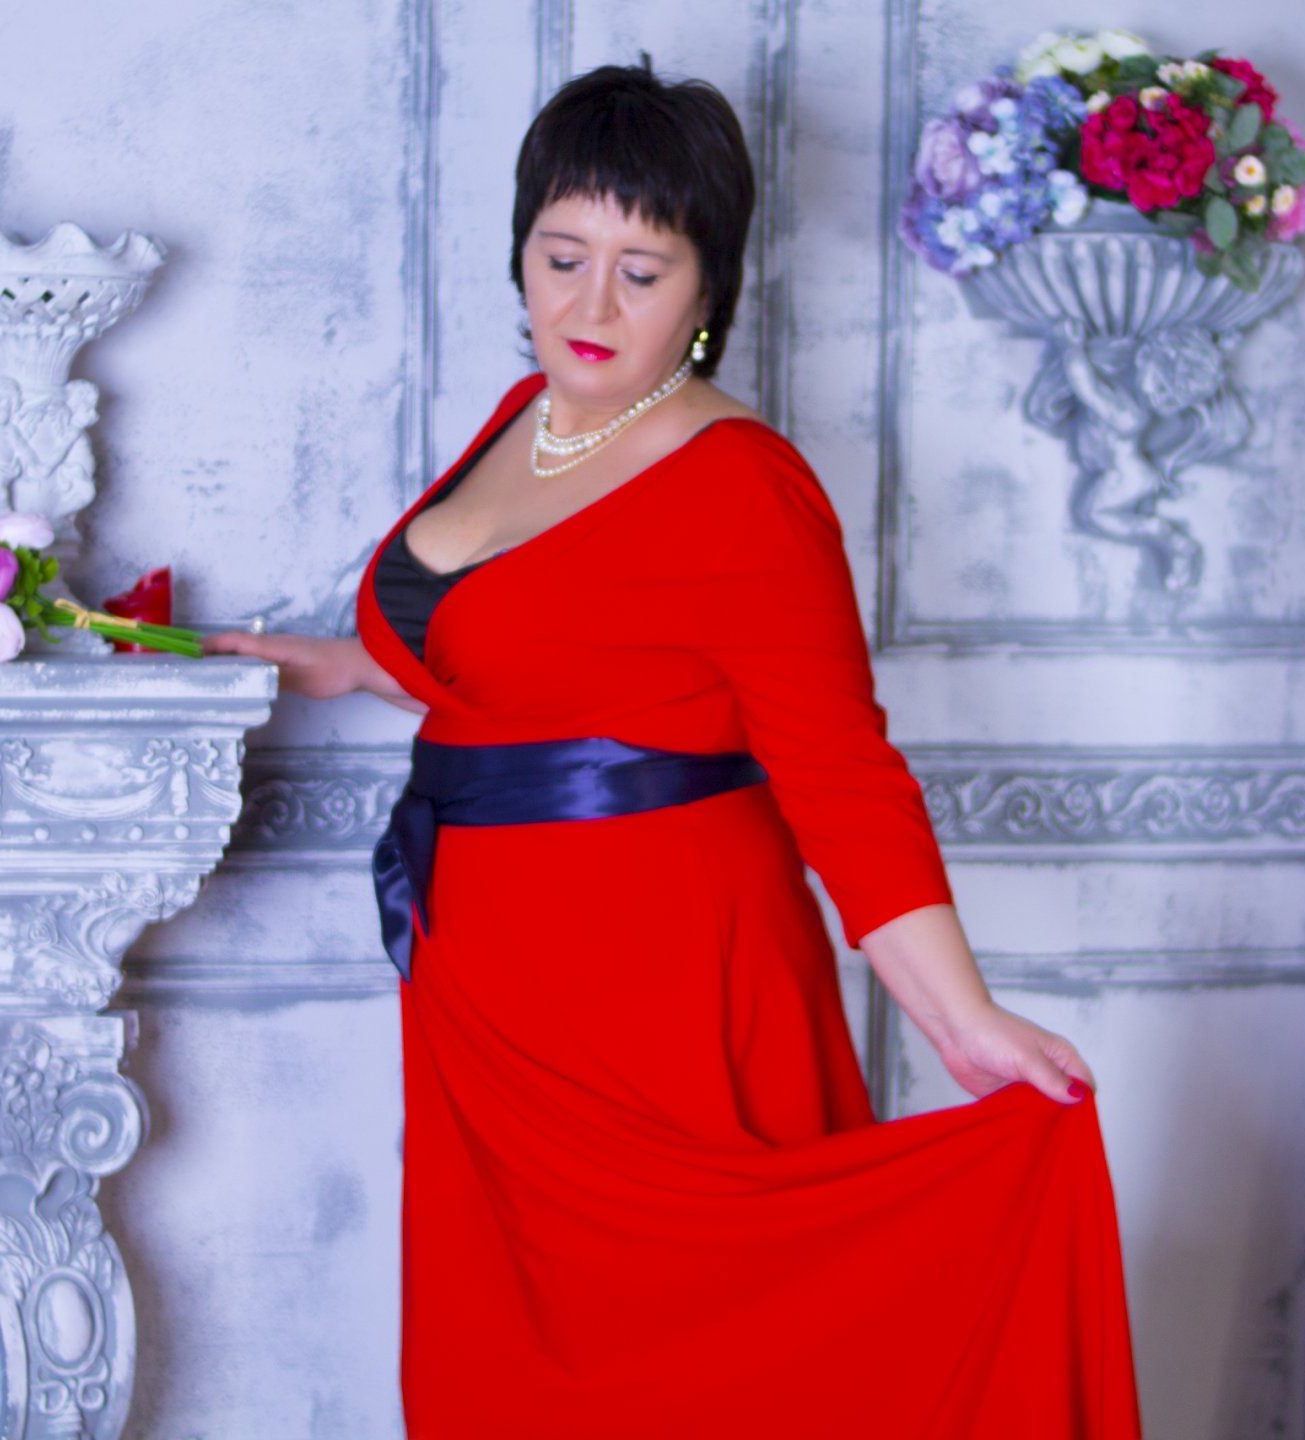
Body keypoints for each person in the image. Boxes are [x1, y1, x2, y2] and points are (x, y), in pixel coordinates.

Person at [206, 64, 1142, 1438]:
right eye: (562, 257)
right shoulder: (525, 422)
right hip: (485, 991)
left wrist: (963, 1021)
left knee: (698, 1376)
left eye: (641, 272)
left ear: (710, 289)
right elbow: (516, 656)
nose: (590, 306)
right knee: (504, 1377)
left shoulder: (747, 485)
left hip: (657, 983)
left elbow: (843, 776)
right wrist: (338, 661)